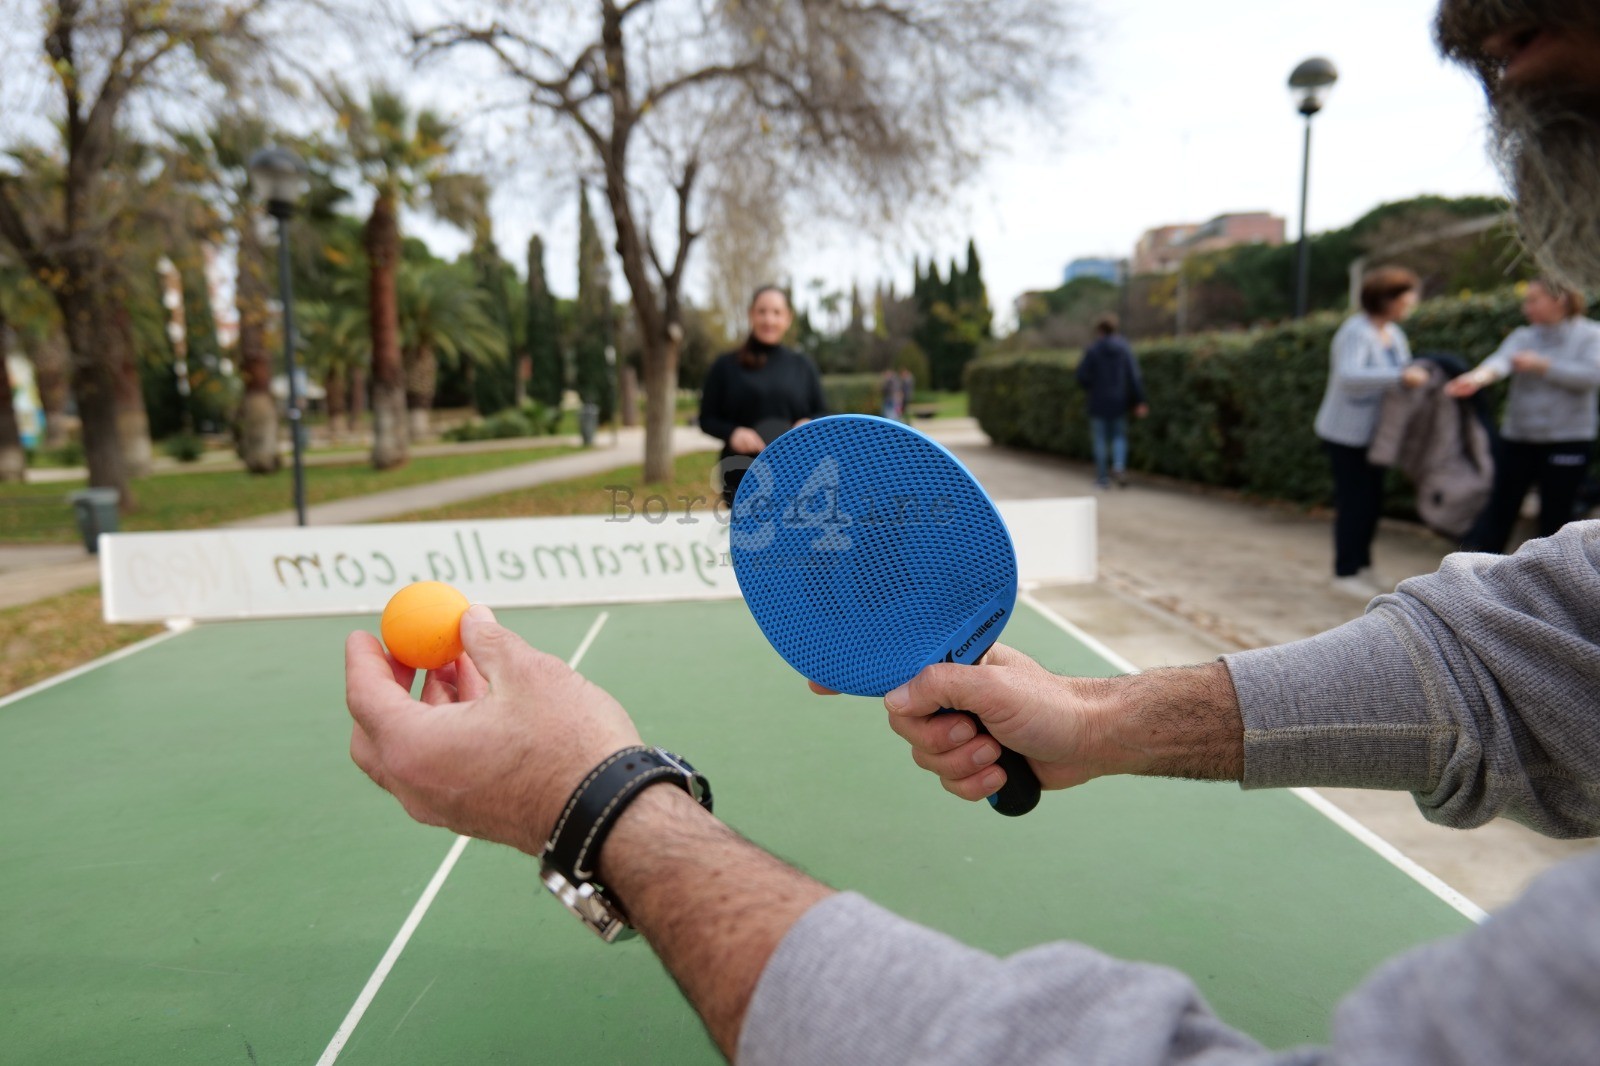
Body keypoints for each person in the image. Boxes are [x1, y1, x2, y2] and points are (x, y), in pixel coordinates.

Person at [346, 3, 1600, 1063]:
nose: (1475, 41)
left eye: (1524, 38)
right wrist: (1102, 718)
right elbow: (1530, 655)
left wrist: (601, 802)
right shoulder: (729, 370)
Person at [1446, 279, 1600, 552]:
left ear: (1559, 300)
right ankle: (1479, 569)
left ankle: (1553, 575)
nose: (1525, 307)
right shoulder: (1523, 336)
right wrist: (1476, 378)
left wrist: (1541, 365)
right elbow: (1500, 361)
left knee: (1557, 516)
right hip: (1519, 436)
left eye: (1533, 300)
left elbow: (1592, 376)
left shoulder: (1591, 334)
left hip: (1568, 439)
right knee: (1500, 508)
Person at [1313, 268, 1431, 597]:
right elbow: (1349, 376)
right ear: (1386, 299)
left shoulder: (1393, 333)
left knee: (1372, 502)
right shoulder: (1356, 331)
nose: (1410, 306)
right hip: (1346, 434)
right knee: (1354, 502)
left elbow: (1403, 368)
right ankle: (1345, 571)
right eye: (1405, 301)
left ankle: (1363, 565)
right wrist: (1400, 377)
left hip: (1378, 435)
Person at [698, 286, 828, 504]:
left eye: (776, 312)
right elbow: (707, 419)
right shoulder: (726, 366)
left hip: (797, 477)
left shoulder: (803, 366)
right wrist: (732, 433)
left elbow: (823, 411)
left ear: (788, 318)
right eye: (762, 311)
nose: (769, 319)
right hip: (743, 476)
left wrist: (808, 422)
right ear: (751, 315)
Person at [1074, 314, 1148, 489]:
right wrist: (1139, 400)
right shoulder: (1124, 349)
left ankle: (1102, 479)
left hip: (1098, 401)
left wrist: (1093, 386)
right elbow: (1134, 377)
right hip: (1119, 401)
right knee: (1119, 437)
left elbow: (1081, 376)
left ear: (1100, 331)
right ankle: (1119, 466)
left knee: (1100, 440)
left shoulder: (1093, 350)